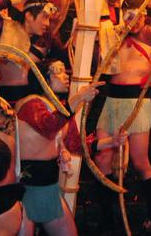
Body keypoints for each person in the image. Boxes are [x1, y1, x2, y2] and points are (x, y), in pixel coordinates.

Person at [96, 0, 151, 232]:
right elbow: (101, 65)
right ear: (124, 15)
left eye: (141, 15)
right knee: (102, 159)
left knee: (141, 163)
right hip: (112, 100)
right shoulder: (114, 33)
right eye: (132, 16)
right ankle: (109, 217)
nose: (137, 20)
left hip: (137, 101)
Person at [14, 60, 101, 236]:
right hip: (25, 189)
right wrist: (78, 99)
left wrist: (111, 142)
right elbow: (48, 125)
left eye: (64, 70)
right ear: (43, 78)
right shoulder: (31, 103)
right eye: (58, 71)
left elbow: (77, 144)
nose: (65, 75)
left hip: (48, 187)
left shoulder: (58, 108)